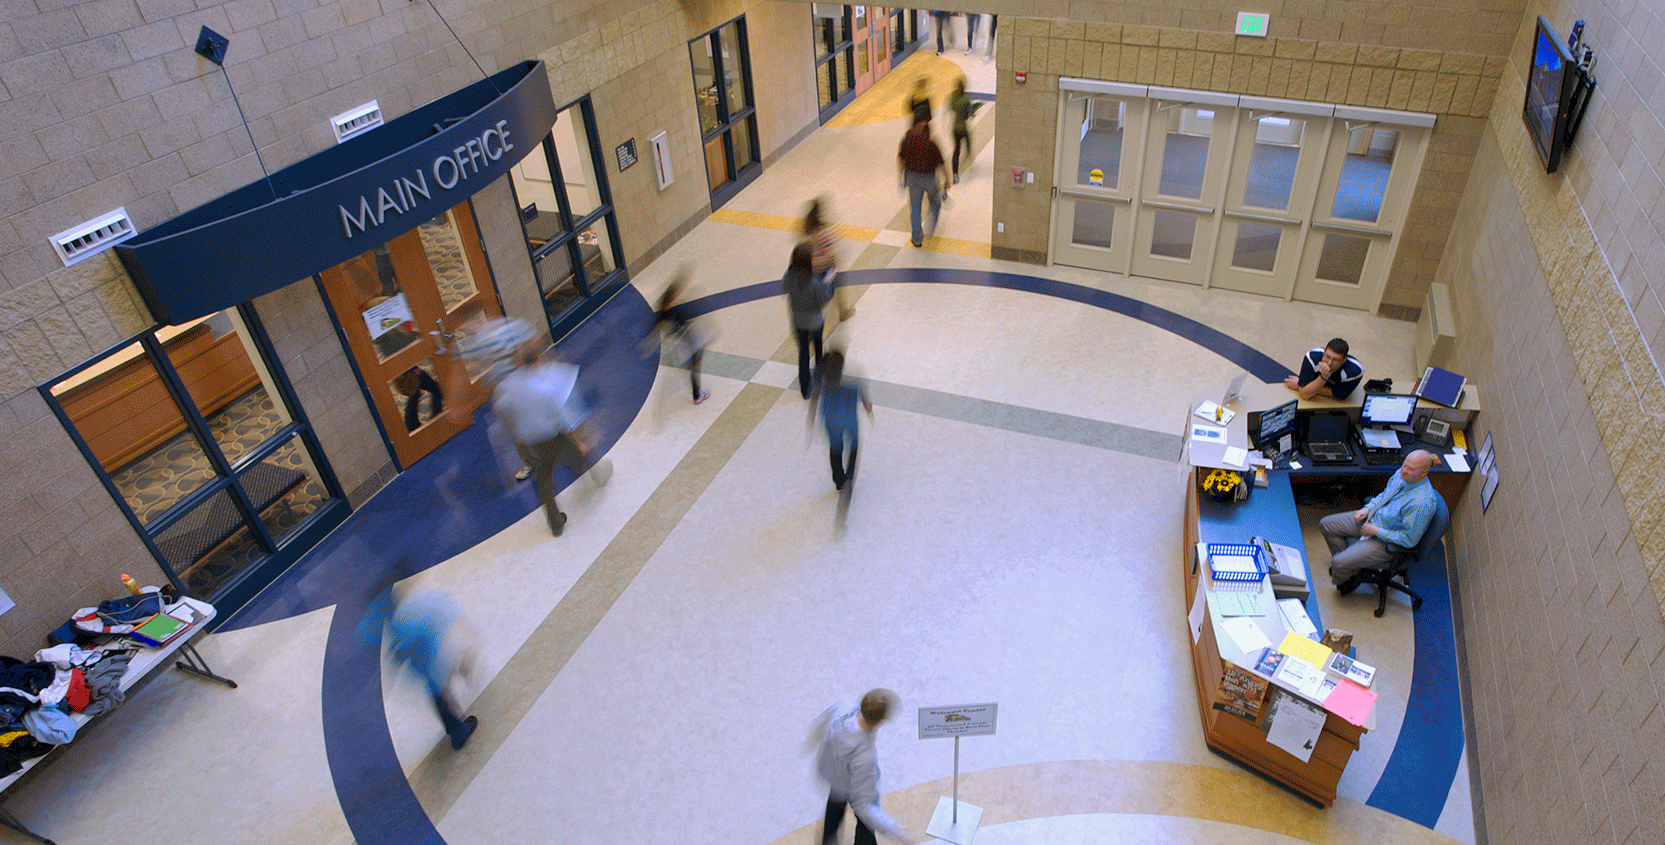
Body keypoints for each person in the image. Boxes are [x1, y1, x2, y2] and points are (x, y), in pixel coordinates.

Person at [453, 318, 612, 536]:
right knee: (578, 455)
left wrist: (516, 430)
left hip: (532, 440)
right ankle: (598, 474)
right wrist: (578, 440)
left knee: (544, 480)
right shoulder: (546, 383)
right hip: (554, 434)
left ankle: (555, 523)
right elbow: (561, 415)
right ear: (536, 359)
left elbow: (503, 410)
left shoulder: (506, 387)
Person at [809, 689, 923, 845]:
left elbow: (820, 723)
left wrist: (809, 742)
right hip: (852, 783)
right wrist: (897, 831)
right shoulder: (864, 757)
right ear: (881, 721)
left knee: (834, 811)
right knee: (867, 822)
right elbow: (864, 806)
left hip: (836, 779)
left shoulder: (844, 707)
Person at [1319, 450, 1440, 586]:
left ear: (1424, 473)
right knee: (1326, 524)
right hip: (1373, 518)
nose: (1403, 471)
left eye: (1411, 469)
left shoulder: (1421, 503)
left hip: (1386, 541)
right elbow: (1384, 495)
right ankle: (1350, 569)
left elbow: (1409, 540)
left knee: (1338, 563)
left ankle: (1345, 580)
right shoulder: (1403, 474)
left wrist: (1376, 531)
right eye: (1404, 464)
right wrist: (1368, 508)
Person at [380, 585, 478, 750]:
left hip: (426, 673)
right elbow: (429, 636)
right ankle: (459, 734)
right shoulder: (410, 624)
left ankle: (457, 729)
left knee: (441, 698)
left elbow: (398, 656)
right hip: (433, 669)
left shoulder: (396, 629)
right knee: (443, 700)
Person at [807, 349, 872, 492]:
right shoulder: (853, 380)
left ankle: (839, 480)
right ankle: (849, 475)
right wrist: (869, 409)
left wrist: (811, 418)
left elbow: (815, 395)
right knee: (854, 446)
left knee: (835, 449)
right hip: (849, 419)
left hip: (831, 420)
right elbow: (866, 400)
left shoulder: (823, 380)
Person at [645, 274, 710, 404]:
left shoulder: (665, 313)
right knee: (695, 366)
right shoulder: (675, 312)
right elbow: (682, 323)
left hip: (687, 342)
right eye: (673, 299)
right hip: (689, 343)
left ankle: (697, 392)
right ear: (668, 302)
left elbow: (659, 327)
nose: (675, 300)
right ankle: (697, 395)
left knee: (695, 364)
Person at [783, 242, 832, 400]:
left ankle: (805, 390)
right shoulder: (814, 281)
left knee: (803, 353)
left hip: (797, 321)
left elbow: (785, 289)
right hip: (815, 321)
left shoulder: (790, 274)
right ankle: (819, 379)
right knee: (818, 348)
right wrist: (828, 281)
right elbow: (823, 300)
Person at [897, 109, 949, 248]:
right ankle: (930, 228)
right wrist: (947, 180)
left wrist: (901, 177)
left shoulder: (907, 139)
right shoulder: (931, 144)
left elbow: (901, 159)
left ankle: (917, 238)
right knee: (935, 201)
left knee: (915, 208)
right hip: (929, 179)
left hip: (912, 178)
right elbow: (941, 164)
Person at [804, 198, 854, 321]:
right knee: (836, 288)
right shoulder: (821, 231)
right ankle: (843, 312)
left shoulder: (808, 230)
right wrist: (833, 261)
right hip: (826, 268)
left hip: (812, 268)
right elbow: (828, 250)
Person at [1284, 338, 1363, 400]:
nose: (1329, 363)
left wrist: (1300, 385)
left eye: (1335, 360)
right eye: (1327, 357)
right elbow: (1305, 395)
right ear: (1324, 351)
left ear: (1344, 360)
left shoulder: (1354, 372)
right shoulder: (1312, 358)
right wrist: (1305, 389)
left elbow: (1340, 396)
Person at [947, 76, 972, 184]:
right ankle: (968, 155)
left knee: (956, 150)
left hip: (955, 129)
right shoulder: (966, 100)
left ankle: (955, 173)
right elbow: (968, 115)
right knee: (968, 142)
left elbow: (951, 108)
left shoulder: (953, 97)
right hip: (963, 128)